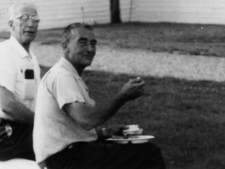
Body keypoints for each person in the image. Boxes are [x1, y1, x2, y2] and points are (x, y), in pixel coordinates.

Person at [34, 23, 165, 169]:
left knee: (129, 149)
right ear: (65, 46)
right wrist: (122, 97)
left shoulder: (67, 74)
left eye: (93, 43)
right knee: (149, 153)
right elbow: (87, 119)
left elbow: (72, 126)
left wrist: (104, 132)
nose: (90, 49)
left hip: (68, 155)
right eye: (82, 42)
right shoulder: (62, 76)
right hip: (66, 159)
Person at [0, 2, 42, 161]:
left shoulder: (31, 58)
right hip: (2, 132)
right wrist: (45, 123)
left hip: (20, 128)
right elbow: (7, 104)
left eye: (35, 19)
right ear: (11, 24)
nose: (30, 23)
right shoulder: (3, 51)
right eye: (24, 18)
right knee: (65, 142)